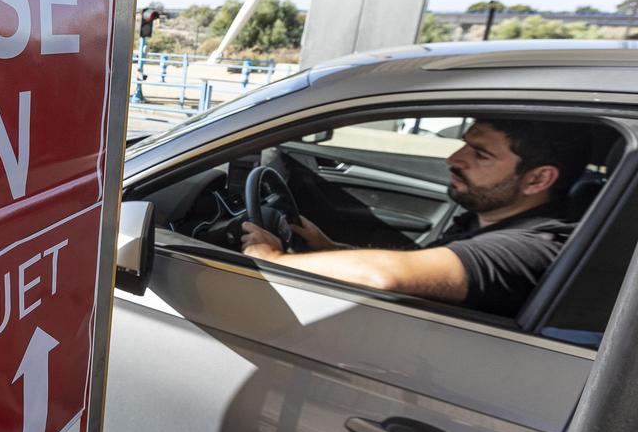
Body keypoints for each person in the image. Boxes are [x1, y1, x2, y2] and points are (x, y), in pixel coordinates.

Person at [240, 118, 591, 318]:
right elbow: (421, 267)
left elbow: (385, 276)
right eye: (464, 144)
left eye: (480, 154)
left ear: (538, 179)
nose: (455, 158)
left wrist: (273, 260)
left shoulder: (531, 247)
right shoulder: (487, 217)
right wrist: (326, 247)